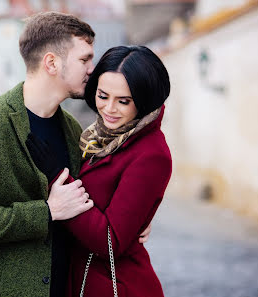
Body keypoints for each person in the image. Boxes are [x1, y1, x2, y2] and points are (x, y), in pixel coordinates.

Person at [0, 12, 150, 297]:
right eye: (84, 59)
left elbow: (82, 200)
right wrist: (46, 212)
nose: (93, 69)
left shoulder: (72, 129)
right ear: (52, 63)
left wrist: (133, 220)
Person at [27, 45, 172, 297]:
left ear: (144, 100)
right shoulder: (97, 138)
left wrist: (59, 180)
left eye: (123, 101)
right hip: (81, 280)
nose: (109, 109)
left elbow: (110, 241)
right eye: (103, 96)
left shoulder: (152, 154)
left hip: (116, 286)